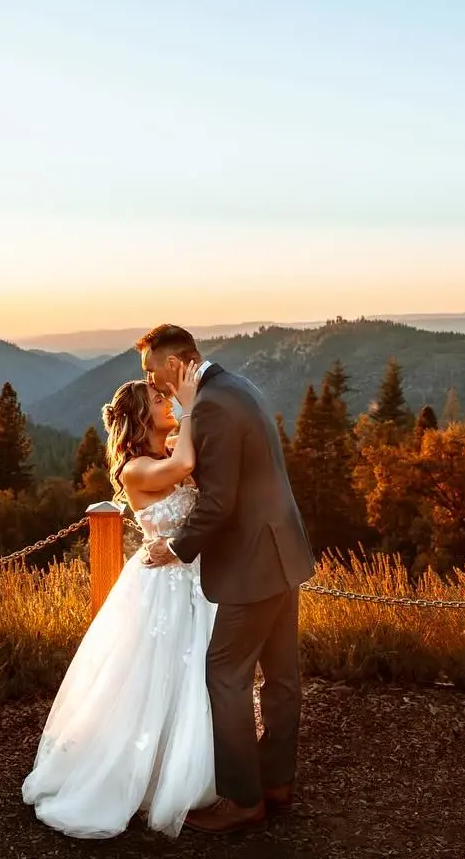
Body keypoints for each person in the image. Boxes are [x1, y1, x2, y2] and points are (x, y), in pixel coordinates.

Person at [21, 364, 215, 838]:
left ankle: (183, 769)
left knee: (196, 678)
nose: (167, 401)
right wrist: (191, 406)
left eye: (169, 399)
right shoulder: (136, 469)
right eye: (158, 399)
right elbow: (184, 469)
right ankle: (131, 777)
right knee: (150, 679)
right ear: (141, 418)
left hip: (195, 582)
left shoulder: (167, 448)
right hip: (160, 588)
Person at [138, 324, 316, 836]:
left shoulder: (212, 405)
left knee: (226, 675)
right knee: (282, 678)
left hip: (251, 566)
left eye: (153, 370)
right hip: (283, 553)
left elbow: (218, 502)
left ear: (175, 364)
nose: (153, 381)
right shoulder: (240, 386)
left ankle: (243, 799)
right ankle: (277, 782)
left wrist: (173, 549)